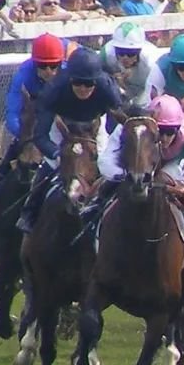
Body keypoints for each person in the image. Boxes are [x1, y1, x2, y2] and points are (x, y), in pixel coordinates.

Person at [85, 95, 184, 248]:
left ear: (178, 129)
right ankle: (92, 212)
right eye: (161, 131)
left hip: (172, 165)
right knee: (108, 183)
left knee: (168, 178)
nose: (164, 138)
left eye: (170, 131)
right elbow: (105, 161)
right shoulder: (131, 127)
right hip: (134, 164)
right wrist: (126, 174)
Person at [16, 47, 122, 233]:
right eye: (78, 83)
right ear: (69, 79)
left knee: (106, 167)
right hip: (62, 127)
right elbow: (40, 135)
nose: (83, 88)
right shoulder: (54, 90)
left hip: (95, 128)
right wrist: (57, 154)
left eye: (88, 84)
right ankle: (30, 211)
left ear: (97, 82)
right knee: (51, 165)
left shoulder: (108, 89)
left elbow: (120, 121)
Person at [0, 33, 66, 200]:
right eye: (43, 66)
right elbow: (12, 115)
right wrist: (28, 137)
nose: (49, 71)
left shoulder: (68, 73)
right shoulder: (23, 75)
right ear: (34, 64)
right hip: (36, 117)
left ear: (61, 63)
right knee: (21, 141)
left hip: (60, 116)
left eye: (53, 66)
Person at [99, 21, 159, 107]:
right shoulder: (106, 54)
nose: (125, 58)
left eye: (131, 53)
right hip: (120, 90)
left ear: (139, 51)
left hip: (146, 88)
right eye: (120, 52)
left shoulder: (152, 60)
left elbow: (157, 88)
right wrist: (112, 77)